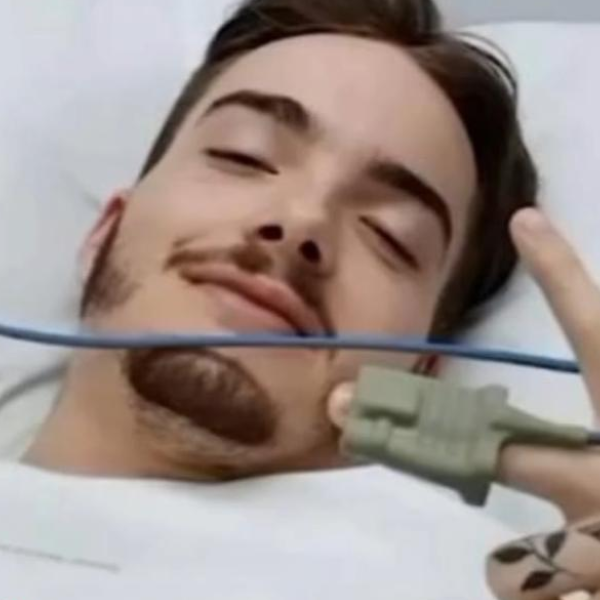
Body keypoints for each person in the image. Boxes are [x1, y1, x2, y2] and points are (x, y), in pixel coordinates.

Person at [11, 0, 600, 597]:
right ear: (106, 231)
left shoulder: (487, 577)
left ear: (425, 367)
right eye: (243, 156)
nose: (302, 221)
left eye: (388, 235)